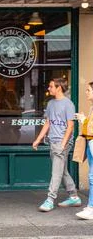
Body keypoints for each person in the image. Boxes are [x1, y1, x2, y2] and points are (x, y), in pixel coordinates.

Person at [32, 78, 81, 212]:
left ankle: (50, 199)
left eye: (51, 86)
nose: (49, 88)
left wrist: (63, 144)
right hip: (53, 141)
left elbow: (70, 126)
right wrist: (38, 139)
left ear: (59, 87)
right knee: (62, 171)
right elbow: (48, 123)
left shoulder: (68, 104)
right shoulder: (51, 103)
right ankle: (74, 196)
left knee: (56, 172)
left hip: (62, 142)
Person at [75, 81, 93, 219]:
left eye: (88, 90)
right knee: (91, 176)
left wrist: (83, 120)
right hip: (90, 142)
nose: (86, 92)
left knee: (92, 177)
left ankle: (91, 207)